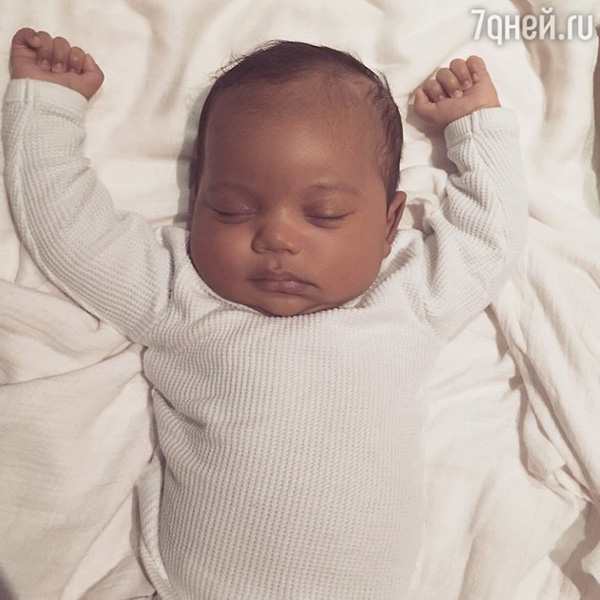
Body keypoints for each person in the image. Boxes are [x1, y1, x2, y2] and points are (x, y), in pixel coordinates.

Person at [3, 27, 527, 600]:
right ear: (196, 201)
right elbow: (73, 235)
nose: (276, 237)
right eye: (231, 210)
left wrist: (476, 128)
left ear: (388, 224)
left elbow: (489, 241)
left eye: (324, 214)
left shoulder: (407, 302)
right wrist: (49, 107)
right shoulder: (181, 297)